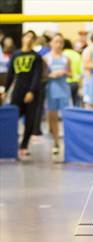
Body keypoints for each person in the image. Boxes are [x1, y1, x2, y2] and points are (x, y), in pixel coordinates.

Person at [1, 30, 43, 158]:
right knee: (13, 118)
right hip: (18, 91)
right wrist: (4, 91)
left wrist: (31, 91)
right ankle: (10, 144)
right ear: (23, 38)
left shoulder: (36, 56)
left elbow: (37, 75)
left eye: (32, 37)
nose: (29, 39)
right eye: (27, 36)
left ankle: (24, 146)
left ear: (34, 40)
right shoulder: (16, 55)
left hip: (31, 92)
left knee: (29, 120)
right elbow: (10, 75)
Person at [44, 33, 71, 155]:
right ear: (51, 43)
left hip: (64, 89)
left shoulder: (66, 58)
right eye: (56, 41)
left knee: (66, 116)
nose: (58, 44)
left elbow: (71, 73)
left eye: (60, 42)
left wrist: (64, 73)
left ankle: (68, 142)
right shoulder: (46, 58)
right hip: (51, 90)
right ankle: (56, 142)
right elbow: (43, 75)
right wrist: (51, 75)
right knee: (53, 117)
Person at [63, 39, 82, 107]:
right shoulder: (77, 54)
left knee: (64, 104)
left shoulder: (62, 54)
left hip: (63, 82)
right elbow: (81, 71)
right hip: (75, 82)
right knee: (75, 103)